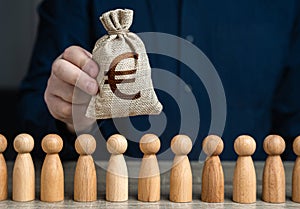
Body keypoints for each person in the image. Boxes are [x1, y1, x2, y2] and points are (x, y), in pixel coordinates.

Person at [19, 0, 300, 161]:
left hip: (246, 194)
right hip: (113, 194)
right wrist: (68, 115)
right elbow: (33, 108)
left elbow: (294, 120)